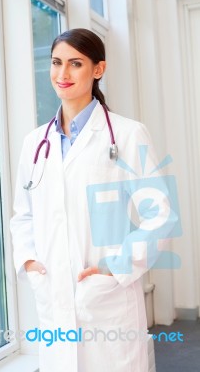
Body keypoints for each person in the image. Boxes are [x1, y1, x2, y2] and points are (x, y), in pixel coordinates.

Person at [10, 28, 174, 372]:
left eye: (75, 64)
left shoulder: (128, 134)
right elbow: (22, 215)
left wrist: (115, 267)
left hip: (107, 297)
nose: (62, 74)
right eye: (56, 63)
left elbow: (161, 216)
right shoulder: (34, 143)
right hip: (54, 297)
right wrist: (28, 262)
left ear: (98, 69)